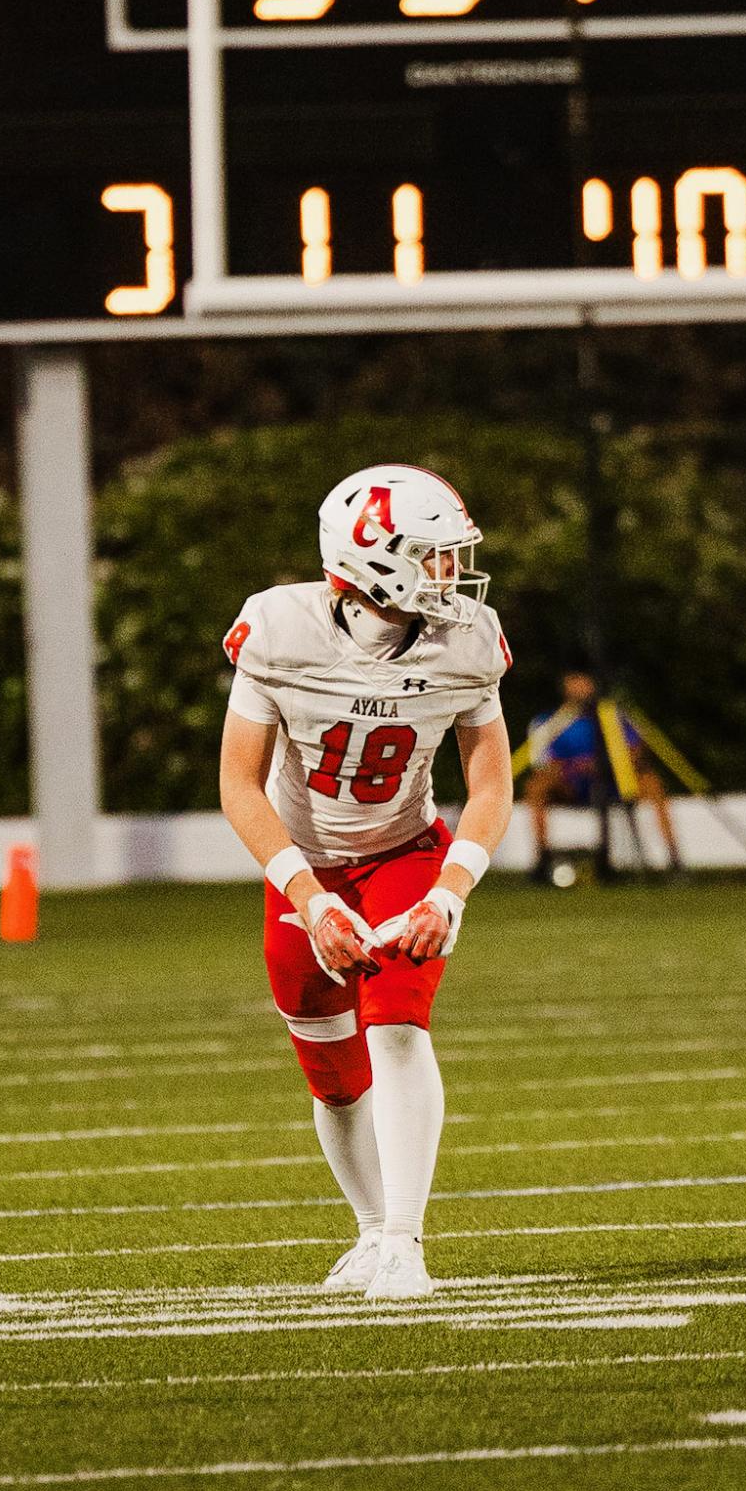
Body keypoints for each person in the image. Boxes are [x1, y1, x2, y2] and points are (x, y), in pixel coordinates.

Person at [218, 463, 513, 1302]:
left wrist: (450, 888)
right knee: (333, 1073)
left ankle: (405, 1242)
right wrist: (309, 899)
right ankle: (369, 1231)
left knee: (395, 1026)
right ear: (374, 558)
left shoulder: (467, 639)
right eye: (433, 556)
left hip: (405, 853)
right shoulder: (279, 628)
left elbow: (490, 783)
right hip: (303, 865)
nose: (451, 574)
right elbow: (240, 781)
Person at [524, 668, 680, 879]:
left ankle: (674, 859)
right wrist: (575, 768)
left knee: (652, 783)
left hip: (614, 782)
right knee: (536, 786)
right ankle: (542, 859)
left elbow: (637, 751)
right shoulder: (548, 721)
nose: (580, 687)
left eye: (584, 680)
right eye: (574, 681)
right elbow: (541, 761)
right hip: (572, 784)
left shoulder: (614, 716)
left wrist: (607, 766)